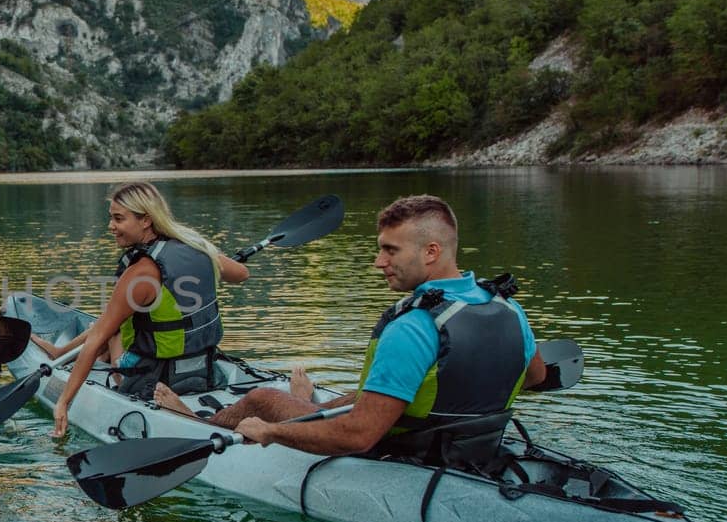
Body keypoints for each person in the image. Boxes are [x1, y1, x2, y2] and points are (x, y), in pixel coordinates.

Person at [156, 194, 547, 461]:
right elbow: (535, 376)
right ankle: (309, 403)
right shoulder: (506, 305)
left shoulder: (414, 325)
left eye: (390, 250)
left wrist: (270, 432)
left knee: (262, 399)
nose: (379, 262)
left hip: (407, 453)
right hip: (470, 447)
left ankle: (194, 425)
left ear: (432, 252)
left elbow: (358, 436)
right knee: (364, 393)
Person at [50, 182, 250, 439]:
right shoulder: (198, 248)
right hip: (204, 374)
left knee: (107, 330)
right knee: (117, 323)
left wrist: (64, 401)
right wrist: (208, 257)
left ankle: (61, 356)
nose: (110, 226)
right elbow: (242, 273)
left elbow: (97, 338)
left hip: (149, 383)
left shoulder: (141, 273)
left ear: (145, 220)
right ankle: (70, 355)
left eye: (118, 219)